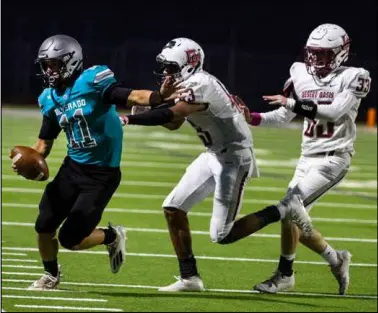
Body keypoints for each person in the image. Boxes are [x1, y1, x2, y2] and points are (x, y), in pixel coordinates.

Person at [120, 37, 313, 292]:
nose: (166, 73)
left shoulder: (200, 84)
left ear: (187, 64)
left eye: (171, 67)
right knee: (173, 207)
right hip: (213, 153)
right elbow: (174, 123)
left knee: (222, 235)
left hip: (234, 156)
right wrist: (147, 111)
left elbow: (172, 114)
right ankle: (190, 277)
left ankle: (284, 209)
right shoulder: (191, 82)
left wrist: (130, 120)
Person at [10, 34, 178, 290]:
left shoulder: (91, 81)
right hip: (72, 168)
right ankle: (51, 275)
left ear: (71, 61)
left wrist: (158, 95)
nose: (49, 70)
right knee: (43, 225)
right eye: (46, 65)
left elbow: (132, 96)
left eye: (54, 64)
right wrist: (27, 160)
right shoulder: (49, 98)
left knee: (71, 239)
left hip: (101, 175)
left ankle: (111, 236)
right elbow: (43, 144)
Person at [245, 24, 371, 295]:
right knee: (291, 218)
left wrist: (291, 103)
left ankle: (291, 272)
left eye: (325, 54)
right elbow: (282, 116)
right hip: (306, 157)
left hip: (333, 158)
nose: (317, 60)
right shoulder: (299, 72)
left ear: (341, 53)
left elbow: (335, 112)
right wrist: (252, 118)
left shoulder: (355, 76)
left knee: (290, 206)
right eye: (314, 53)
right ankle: (326, 262)